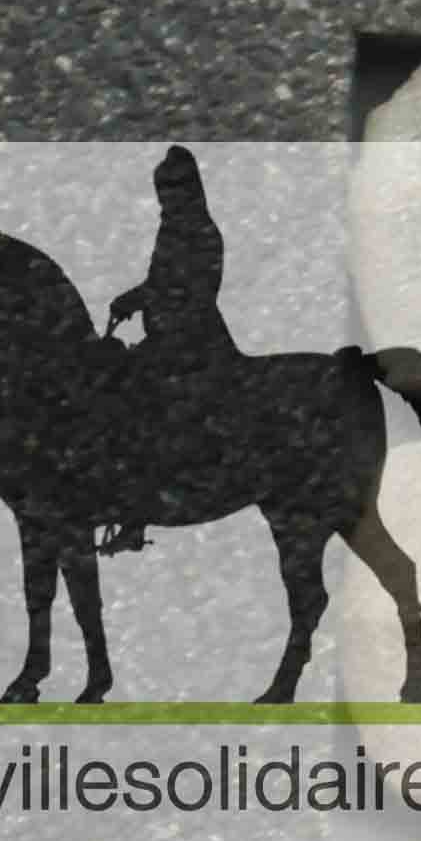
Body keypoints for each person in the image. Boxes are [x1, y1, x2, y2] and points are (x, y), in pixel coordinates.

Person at [90, 144, 242, 555]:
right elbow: (160, 283)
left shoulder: (202, 234)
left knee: (144, 408)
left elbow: (194, 290)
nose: (168, 197)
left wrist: (145, 299)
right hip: (166, 338)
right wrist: (135, 299)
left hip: (194, 342)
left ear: (192, 189)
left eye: (176, 189)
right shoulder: (172, 231)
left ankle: (137, 509)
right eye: (164, 190)